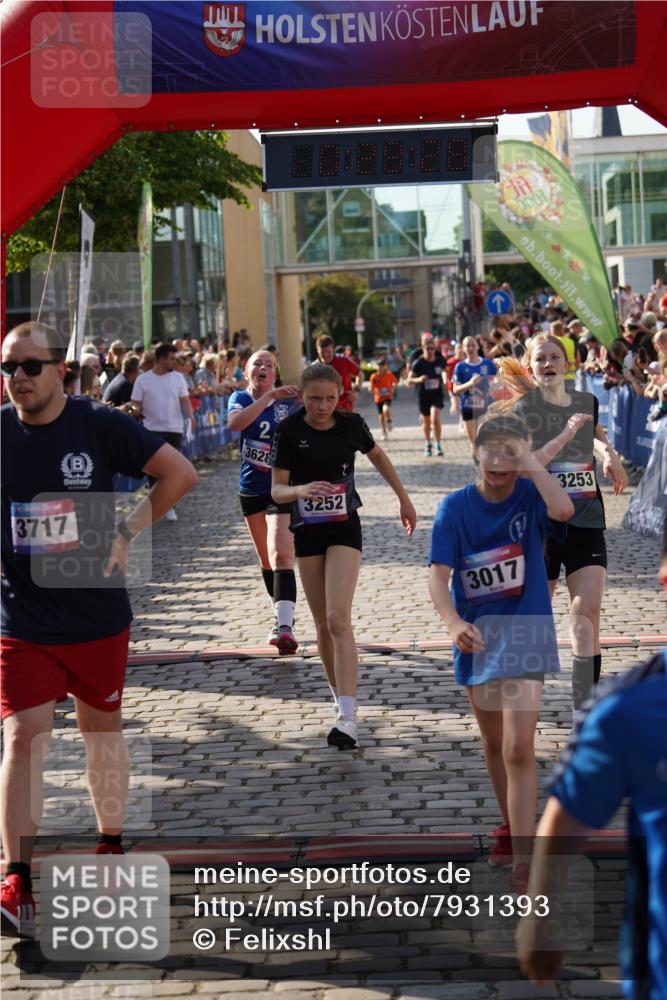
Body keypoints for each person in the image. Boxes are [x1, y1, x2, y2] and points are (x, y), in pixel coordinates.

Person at [0, 322, 198, 939]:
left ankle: (110, 844)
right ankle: (16, 878)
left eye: (31, 366)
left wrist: (126, 531)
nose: (19, 379)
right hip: (21, 619)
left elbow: (180, 475)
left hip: (94, 616)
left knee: (100, 736)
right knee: (24, 737)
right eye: (8, 368)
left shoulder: (98, 424)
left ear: (61, 369)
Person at [516, 522, 667, 998]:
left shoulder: (629, 705)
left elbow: (562, 826)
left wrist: (540, 925)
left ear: (663, 577)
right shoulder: (628, 708)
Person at [429, 413, 575, 892]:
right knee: (494, 746)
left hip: (528, 629)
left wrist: (530, 460)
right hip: (479, 635)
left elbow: (565, 511)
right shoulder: (454, 509)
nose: (498, 461)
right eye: (490, 450)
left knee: (518, 746)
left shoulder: (532, 494)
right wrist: (454, 623)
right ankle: (513, 826)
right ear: (475, 452)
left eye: (509, 453)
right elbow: (437, 577)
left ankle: (525, 857)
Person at [270, 363, 416, 750]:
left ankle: (349, 717)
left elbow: (379, 457)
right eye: (314, 398)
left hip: (344, 527)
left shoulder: (351, 424)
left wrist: (404, 498)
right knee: (321, 624)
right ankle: (340, 704)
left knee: (338, 617)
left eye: (330, 398)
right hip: (307, 531)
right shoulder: (289, 432)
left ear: (341, 395)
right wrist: (300, 490)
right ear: (302, 396)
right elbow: (277, 490)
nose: (322, 405)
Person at [495, 333, 627, 720]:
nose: (549, 363)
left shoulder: (587, 402)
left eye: (556, 357)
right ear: (530, 367)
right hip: (539, 527)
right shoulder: (521, 412)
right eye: (541, 359)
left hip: (586, 520)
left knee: (586, 613)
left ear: (568, 365)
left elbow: (596, 437)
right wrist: (565, 436)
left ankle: (583, 712)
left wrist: (609, 455)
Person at [226, 350, 301, 654]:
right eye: (257, 363)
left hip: (281, 489)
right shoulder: (240, 399)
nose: (263, 367)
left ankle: (285, 627)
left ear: (275, 374)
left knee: (282, 553)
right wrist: (268, 399)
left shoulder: (289, 404)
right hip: (251, 489)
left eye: (270, 364)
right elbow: (236, 424)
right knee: (266, 560)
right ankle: (279, 615)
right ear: (246, 372)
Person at [130, 342, 195, 522]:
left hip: (174, 430)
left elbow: (184, 401)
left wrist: (191, 416)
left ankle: (170, 507)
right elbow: (135, 403)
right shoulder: (143, 380)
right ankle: (155, 507)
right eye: (172, 359)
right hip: (152, 431)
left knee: (174, 472)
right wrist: (135, 411)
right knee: (154, 473)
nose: (175, 362)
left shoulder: (177, 378)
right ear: (161, 359)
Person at [452, 336, 498, 450]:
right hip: (468, 407)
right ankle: (478, 465)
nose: (471, 347)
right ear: (463, 349)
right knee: (473, 443)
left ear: (478, 346)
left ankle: (485, 465)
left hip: (485, 407)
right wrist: (470, 384)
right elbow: (455, 390)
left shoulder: (488, 364)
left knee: (483, 438)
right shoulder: (460, 367)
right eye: (467, 345)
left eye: (473, 344)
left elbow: (498, 382)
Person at [407, 338, 446, 456]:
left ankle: (438, 444)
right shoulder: (418, 363)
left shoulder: (439, 361)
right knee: (426, 421)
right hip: (423, 394)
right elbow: (409, 379)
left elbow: (445, 370)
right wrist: (419, 379)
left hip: (436, 394)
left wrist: (445, 377)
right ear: (422, 349)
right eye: (427, 348)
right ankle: (428, 442)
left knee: (435, 418)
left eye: (432, 348)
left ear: (435, 349)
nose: (429, 351)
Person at [315, 335, 362, 412]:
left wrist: (356, 390)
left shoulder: (343, 360)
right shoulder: (314, 367)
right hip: (324, 410)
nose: (326, 355)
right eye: (322, 352)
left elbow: (360, 374)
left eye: (328, 352)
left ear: (333, 349)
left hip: (344, 407)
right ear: (317, 350)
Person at [369, 358, 397, 440]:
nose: (381, 367)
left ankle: (389, 421)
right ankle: (384, 431)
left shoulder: (389, 374)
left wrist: (393, 388)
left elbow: (395, 382)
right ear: (376, 367)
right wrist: (370, 388)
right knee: (381, 416)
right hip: (378, 398)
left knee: (386, 409)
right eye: (379, 366)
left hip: (388, 396)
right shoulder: (374, 376)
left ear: (385, 366)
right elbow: (371, 385)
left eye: (382, 366)